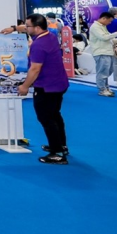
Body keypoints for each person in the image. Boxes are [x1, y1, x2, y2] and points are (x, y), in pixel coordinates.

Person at [18, 14, 71, 165]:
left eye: (27, 26)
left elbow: (35, 69)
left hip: (47, 87)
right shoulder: (50, 36)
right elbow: (28, 28)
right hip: (59, 84)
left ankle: (57, 153)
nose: (25, 28)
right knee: (55, 115)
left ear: (36, 28)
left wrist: (25, 86)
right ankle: (61, 145)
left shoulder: (38, 45)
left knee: (46, 118)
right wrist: (14, 28)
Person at [89, 11, 117, 97]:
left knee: (108, 71)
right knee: (102, 72)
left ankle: (106, 87)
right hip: (101, 52)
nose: (110, 23)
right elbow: (104, 37)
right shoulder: (95, 27)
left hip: (108, 52)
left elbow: (109, 39)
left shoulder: (103, 27)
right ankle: (102, 89)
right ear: (104, 18)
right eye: (109, 21)